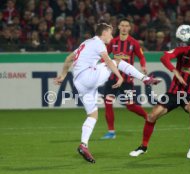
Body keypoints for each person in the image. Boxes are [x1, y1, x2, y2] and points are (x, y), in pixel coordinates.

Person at [54, 23, 161, 163]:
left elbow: (69, 59)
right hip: (88, 77)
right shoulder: (99, 43)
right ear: (104, 33)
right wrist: (120, 76)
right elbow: (109, 61)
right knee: (117, 61)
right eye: (110, 33)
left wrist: (62, 75)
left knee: (92, 115)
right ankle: (145, 79)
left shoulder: (86, 43)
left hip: (79, 82)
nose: (112, 36)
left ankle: (83, 145)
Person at [129, 27, 190, 159]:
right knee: (152, 116)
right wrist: (174, 71)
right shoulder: (183, 50)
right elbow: (164, 58)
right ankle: (143, 146)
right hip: (174, 93)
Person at [101, 18, 148, 139]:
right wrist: (100, 65)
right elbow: (105, 55)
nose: (124, 28)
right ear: (119, 27)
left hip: (127, 80)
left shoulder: (134, 43)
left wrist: (143, 66)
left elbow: (141, 57)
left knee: (130, 106)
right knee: (108, 103)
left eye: (127, 26)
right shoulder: (113, 41)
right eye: (122, 25)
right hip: (113, 78)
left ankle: (148, 117)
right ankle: (111, 132)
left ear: (130, 28)